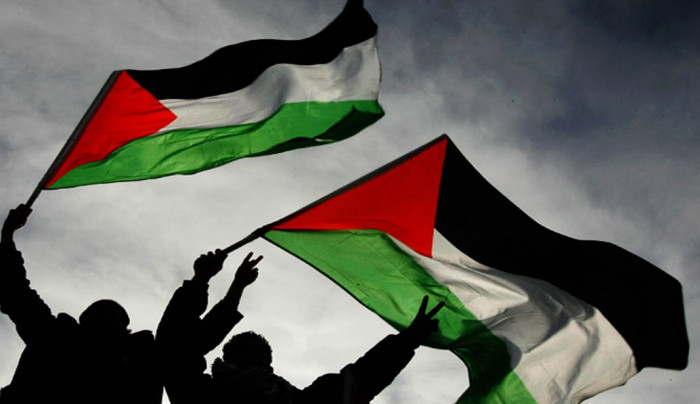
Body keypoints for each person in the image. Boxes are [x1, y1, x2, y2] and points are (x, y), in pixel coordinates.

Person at [157, 249, 445, 404]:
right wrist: (203, 281)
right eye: (241, 352)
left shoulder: (294, 401)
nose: (246, 357)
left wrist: (407, 341)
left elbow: (357, 381)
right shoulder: (202, 395)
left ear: (267, 364)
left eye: (252, 353)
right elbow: (174, 348)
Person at [0, 204, 162, 404]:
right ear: (85, 319)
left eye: (112, 312)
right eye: (100, 310)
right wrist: (7, 236)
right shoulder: (54, 336)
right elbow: (16, 292)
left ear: (124, 325)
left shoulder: (145, 357)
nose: (106, 314)